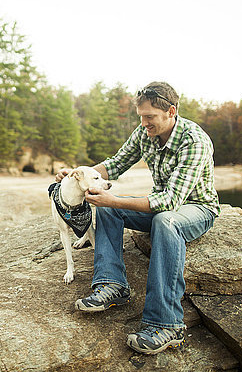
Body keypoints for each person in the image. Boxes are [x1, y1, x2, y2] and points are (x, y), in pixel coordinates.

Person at [55, 81, 220, 355]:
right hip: (163, 206)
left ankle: (167, 324)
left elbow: (169, 202)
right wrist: (78, 173)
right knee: (108, 207)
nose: (144, 123)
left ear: (171, 111)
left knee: (164, 220)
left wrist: (114, 199)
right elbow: (116, 164)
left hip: (197, 209)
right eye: (141, 117)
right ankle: (112, 284)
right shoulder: (146, 132)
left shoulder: (195, 140)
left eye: (149, 117)